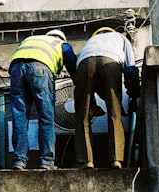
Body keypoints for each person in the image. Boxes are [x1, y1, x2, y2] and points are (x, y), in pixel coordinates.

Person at [8, 29, 76, 170]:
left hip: (16, 69)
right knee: (46, 117)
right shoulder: (61, 43)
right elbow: (73, 67)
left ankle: (19, 161)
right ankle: (47, 161)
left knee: (19, 117)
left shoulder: (31, 40)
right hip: (40, 69)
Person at [73, 27, 140, 169]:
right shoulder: (121, 38)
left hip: (85, 63)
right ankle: (116, 159)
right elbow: (130, 70)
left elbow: (93, 83)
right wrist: (134, 94)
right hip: (110, 62)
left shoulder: (91, 41)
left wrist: (93, 103)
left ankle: (86, 160)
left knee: (82, 115)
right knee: (115, 114)